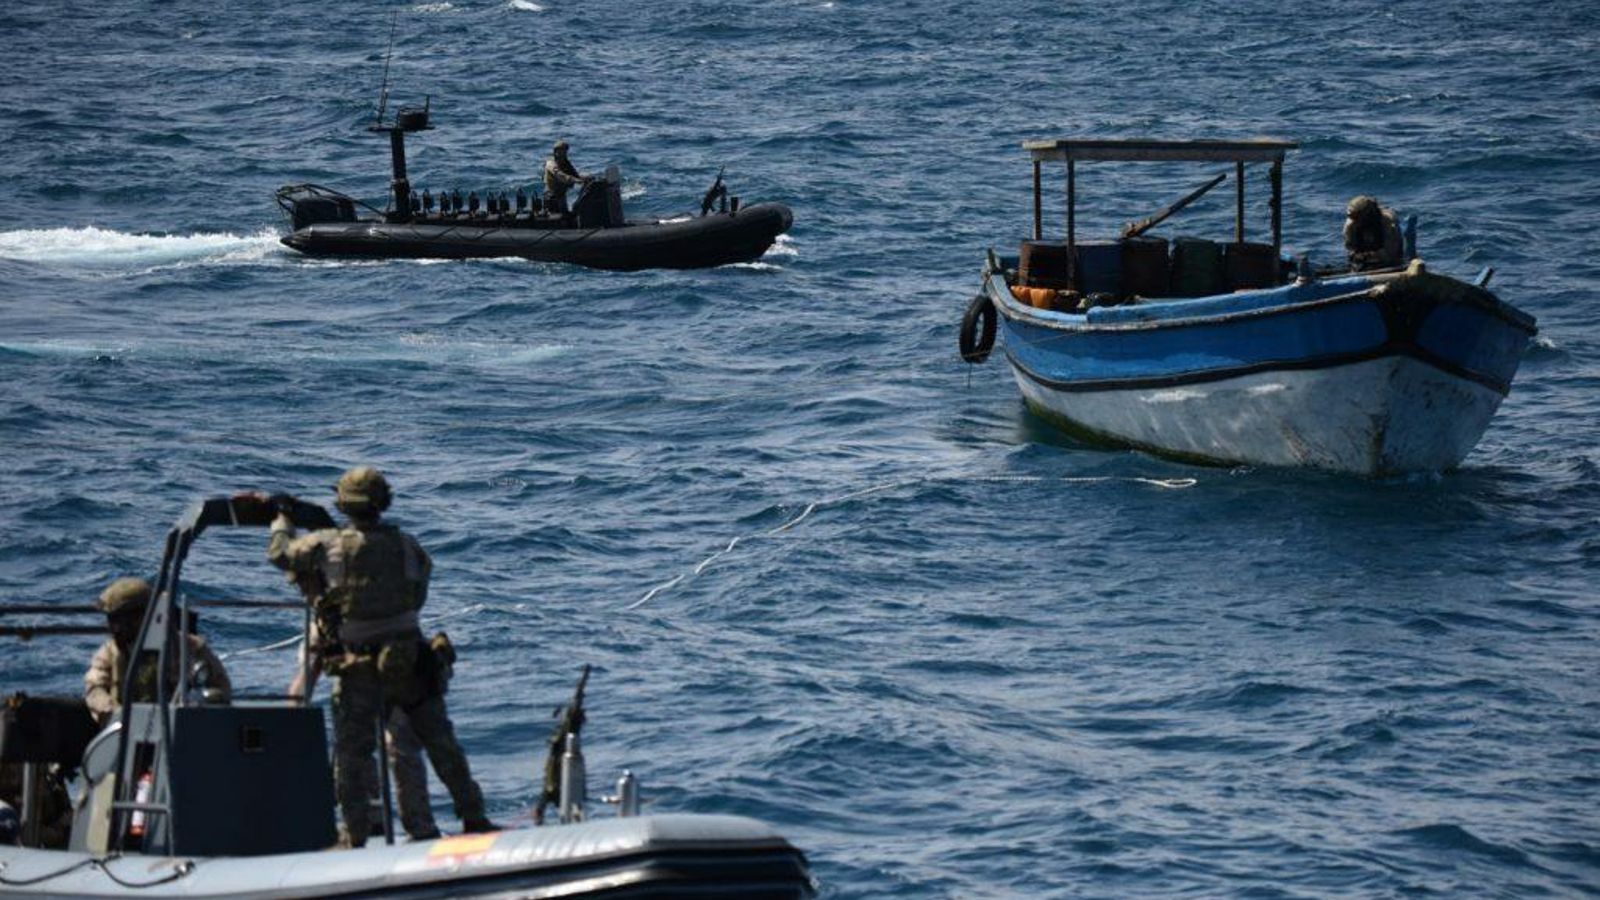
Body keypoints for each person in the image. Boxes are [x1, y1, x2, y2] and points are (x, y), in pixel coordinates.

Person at [267, 466, 495, 846]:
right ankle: (475, 818)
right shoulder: (409, 546)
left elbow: (280, 555)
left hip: (358, 668)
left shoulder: (328, 545)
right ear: (383, 502)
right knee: (442, 745)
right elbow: (418, 593)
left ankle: (353, 837)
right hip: (411, 661)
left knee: (352, 756)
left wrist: (281, 520)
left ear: (343, 503)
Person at [289, 618, 439, 841]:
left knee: (394, 746)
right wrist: (295, 707)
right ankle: (373, 822)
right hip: (363, 681)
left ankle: (414, 826)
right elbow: (311, 667)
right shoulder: (328, 614)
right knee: (359, 749)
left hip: (394, 673)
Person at [84, 577, 231, 728]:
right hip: (126, 732)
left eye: (125, 620)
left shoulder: (190, 647)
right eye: (112, 620)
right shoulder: (110, 652)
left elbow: (222, 689)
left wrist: (200, 701)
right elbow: (94, 688)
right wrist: (115, 714)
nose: (117, 628)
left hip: (181, 730)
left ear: (146, 615)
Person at [1343, 195, 1404, 271]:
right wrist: (1356, 256)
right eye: (1352, 217)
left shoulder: (1388, 223)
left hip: (1387, 254)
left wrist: (1367, 256)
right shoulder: (1350, 225)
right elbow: (1350, 247)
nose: (1355, 221)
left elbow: (1391, 253)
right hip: (1365, 257)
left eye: (1357, 217)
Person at [542, 140, 590, 215]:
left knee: (565, 215)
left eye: (565, 151)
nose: (563, 154)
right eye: (561, 151)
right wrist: (575, 180)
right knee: (556, 218)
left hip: (561, 196)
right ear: (555, 152)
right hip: (551, 197)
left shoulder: (566, 163)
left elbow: (575, 175)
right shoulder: (551, 163)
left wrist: (585, 178)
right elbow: (560, 175)